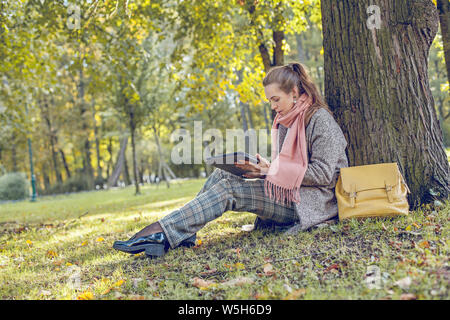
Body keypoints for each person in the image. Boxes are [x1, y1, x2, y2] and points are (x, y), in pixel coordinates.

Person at [113, 62, 349, 258]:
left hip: (309, 204)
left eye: (276, 99)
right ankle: (184, 233)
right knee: (223, 174)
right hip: (287, 193)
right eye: (269, 101)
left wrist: (269, 170)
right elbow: (285, 169)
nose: (273, 107)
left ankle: (161, 232)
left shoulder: (321, 121)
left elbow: (324, 175)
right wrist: (262, 169)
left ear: (295, 93)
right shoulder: (287, 121)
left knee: (229, 190)